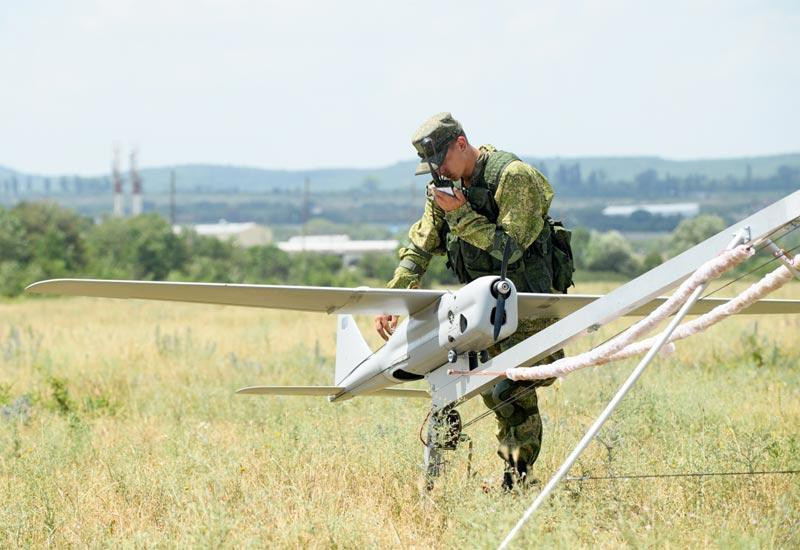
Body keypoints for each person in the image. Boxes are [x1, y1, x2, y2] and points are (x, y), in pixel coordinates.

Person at [374, 112, 568, 490]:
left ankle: (517, 480)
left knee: (508, 392)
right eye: (431, 168)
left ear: (461, 144)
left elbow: (508, 250)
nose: (439, 173)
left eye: (442, 161)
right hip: (481, 316)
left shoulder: (513, 177)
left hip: (529, 312)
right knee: (458, 383)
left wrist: (460, 214)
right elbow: (420, 246)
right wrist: (394, 294)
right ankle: (477, 476)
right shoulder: (442, 189)